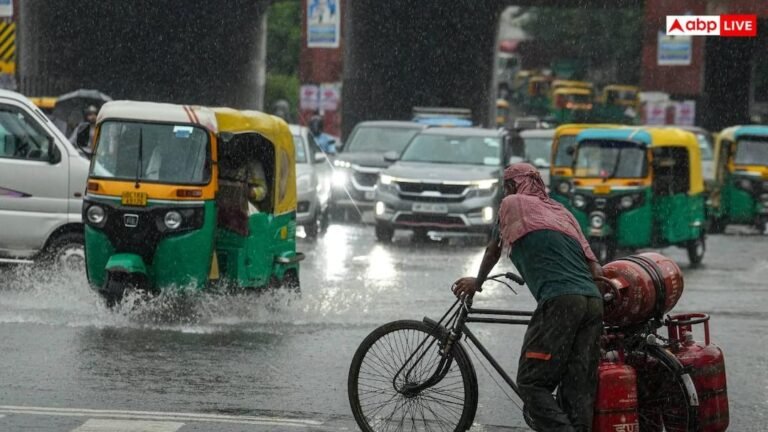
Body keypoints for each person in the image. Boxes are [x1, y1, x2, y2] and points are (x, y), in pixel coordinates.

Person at [453, 163, 604, 432]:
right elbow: (595, 266)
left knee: (532, 383)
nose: (505, 192)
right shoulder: (562, 211)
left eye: (506, 186)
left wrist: (477, 282)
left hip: (561, 300)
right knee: (577, 387)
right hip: (592, 301)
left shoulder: (513, 204)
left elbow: (493, 250)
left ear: (512, 186)